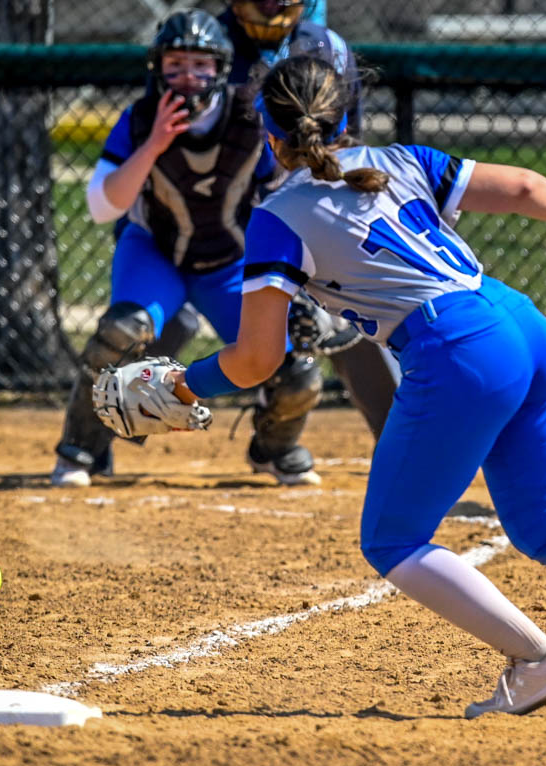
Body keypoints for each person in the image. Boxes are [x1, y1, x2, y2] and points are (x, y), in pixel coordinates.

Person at [171, 54, 546, 717]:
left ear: (268, 136)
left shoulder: (279, 216)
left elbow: (255, 360)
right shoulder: (398, 159)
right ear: (348, 114)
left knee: (392, 540)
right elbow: (526, 186)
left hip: (458, 349)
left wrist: (185, 382)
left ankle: (538, 660)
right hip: (522, 323)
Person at [51, 9, 323, 488]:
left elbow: (290, 194)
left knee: (295, 360)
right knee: (122, 330)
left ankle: (274, 449)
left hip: (229, 262)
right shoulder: (139, 119)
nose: (188, 78)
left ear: (220, 69)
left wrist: (305, 286)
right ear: (158, 69)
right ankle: (81, 449)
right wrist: (155, 144)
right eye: (175, 65)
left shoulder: (251, 117)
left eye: (201, 66)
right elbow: (102, 205)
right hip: (156, 253)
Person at [149, 0, 399, 441]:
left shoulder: (323, 46)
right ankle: (85, 445)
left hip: (307, 207)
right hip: (218, 221)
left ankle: (295, 445)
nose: (272, 7)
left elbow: (347, 144)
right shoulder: (208, 41)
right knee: (147, 325)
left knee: (342, 322)